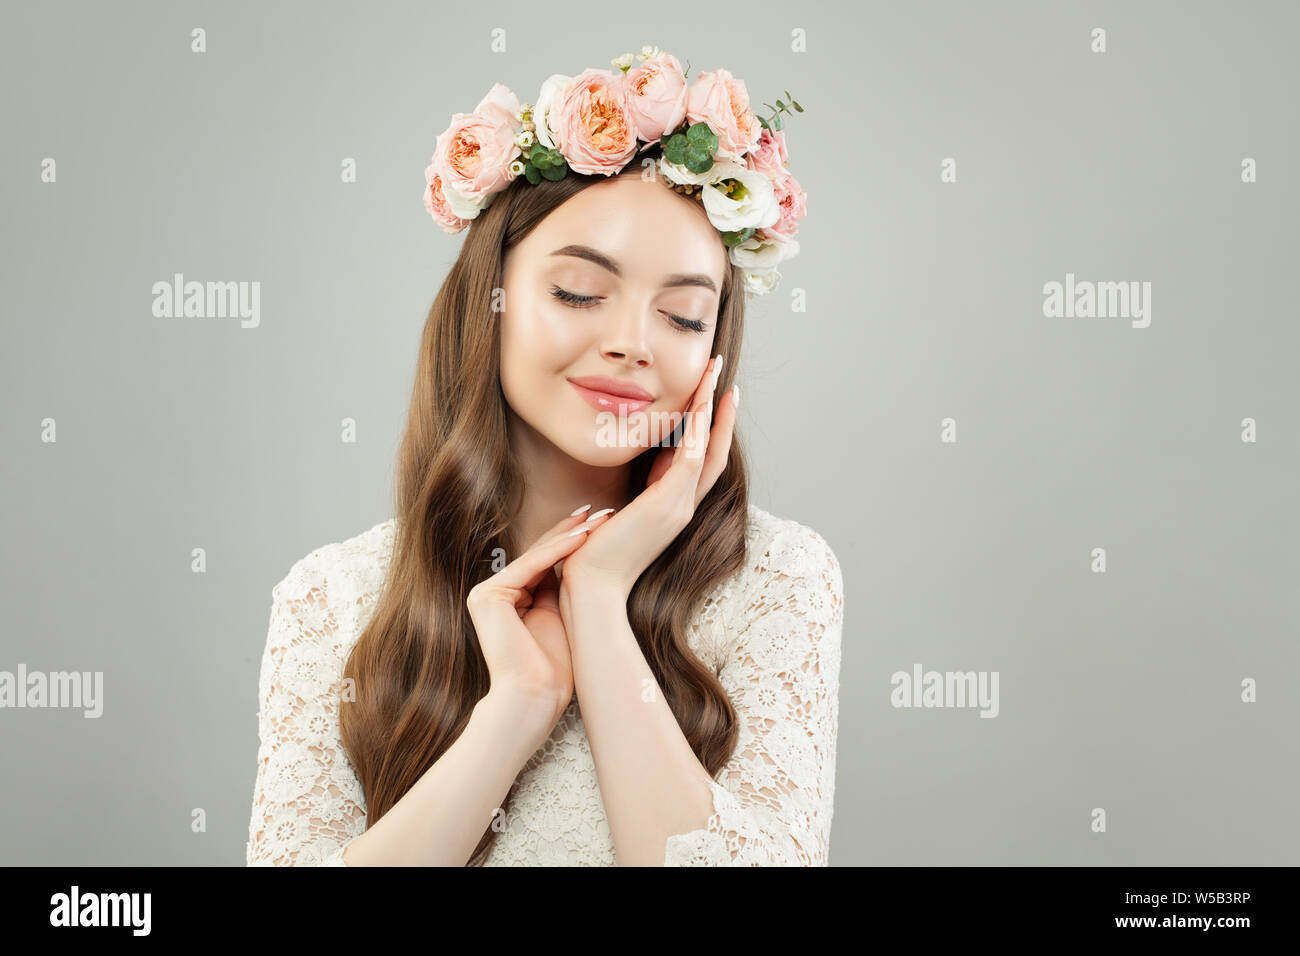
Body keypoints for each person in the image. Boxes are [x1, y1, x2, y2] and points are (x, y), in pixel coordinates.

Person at [246, 46, 842, 866]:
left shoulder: (776, 579)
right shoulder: (333, 600)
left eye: (682, 315)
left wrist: (598, 599)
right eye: (577, 294)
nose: (632, 344)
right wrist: (516, 710)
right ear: (487, 304)